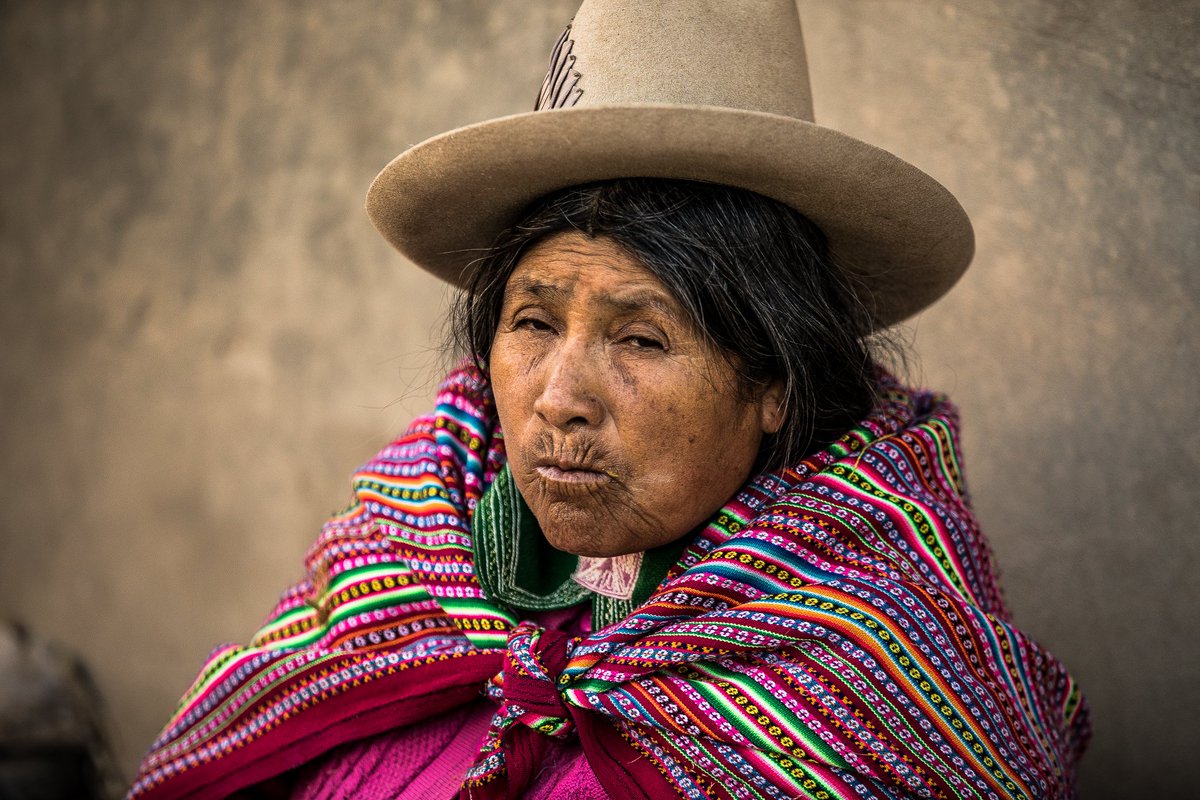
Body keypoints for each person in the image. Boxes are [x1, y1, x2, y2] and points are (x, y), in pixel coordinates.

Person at [129, 1, 1090, 798]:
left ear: (775, 383)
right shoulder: (398, 557)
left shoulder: (883, 675)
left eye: (641, 338)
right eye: (533, 323)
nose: (558, 399)